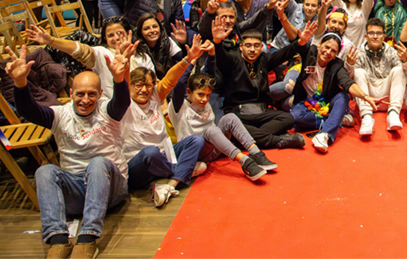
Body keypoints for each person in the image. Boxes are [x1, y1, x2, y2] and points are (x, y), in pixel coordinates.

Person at [8, 43, 132, 259]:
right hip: (77, 190)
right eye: (80, 94)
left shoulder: (107, 110)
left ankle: (88, 239)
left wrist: (119, 79)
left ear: (101, 94)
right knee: (44, 171)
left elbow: (121, 102)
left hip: (111, 188)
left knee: (98, 163)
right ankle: (58, 240)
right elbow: (30, 111)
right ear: (71, 94)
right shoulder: (60, 114)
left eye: (92, 94)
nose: (85, 100)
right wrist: (20, 83)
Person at [169, 38, 275, 181]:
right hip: (195, 151)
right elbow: (179, 84)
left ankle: (256, 153)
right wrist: (190, 61)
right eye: (200, 95)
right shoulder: (179, 106)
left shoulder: (205, 101)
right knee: (211, 130)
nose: (204, 100)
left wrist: (212, 54)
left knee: (229, 118)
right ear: (188, 92)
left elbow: (209, 75)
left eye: (207, 95)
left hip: (214, 149)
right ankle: (245, 162)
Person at [121, 42, 204, 208]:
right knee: (150, 152)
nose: (144, 90)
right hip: (138, 163)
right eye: (138, 85)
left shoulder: (154, 97)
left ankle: (169, 185)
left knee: (196, 140)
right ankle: (182, 171)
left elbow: (170, 80)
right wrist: (126, 59)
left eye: (148, 85)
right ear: (130, 86)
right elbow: (122, 80)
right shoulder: (124, 103)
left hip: (164, 155)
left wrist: (188, 59)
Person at [211, 21, 305, 150]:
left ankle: (247, 138)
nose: (252, 50)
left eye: (256, 46)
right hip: (239, 114)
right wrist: (217, 42)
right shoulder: (232, 59)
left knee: (287, 118)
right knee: (233, 127)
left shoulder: (264, 59)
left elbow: (284, 53)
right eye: (248, 46)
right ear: (241, 47)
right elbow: (221, 57)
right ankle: (278, 140)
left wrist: (300, 42)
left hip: (263, 113)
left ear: (261, 47)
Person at [290, 30, 378, 153]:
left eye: (333, 51)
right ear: (320, 44)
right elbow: (296, 43)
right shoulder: (309, 53)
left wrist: (365, 96)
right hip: (306, 102)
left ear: (337, 54)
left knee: (343, 96)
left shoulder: (336, 65)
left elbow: (347, 83)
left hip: (327, 103)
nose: (328, 53)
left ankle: (324, 134)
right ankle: (336, 118)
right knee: (294, 117)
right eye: (326, 47)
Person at [354, 18, 407, 134]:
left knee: (399, 69)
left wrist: (406, 60)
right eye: (371, 33)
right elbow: (350, 79)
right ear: (366, 36)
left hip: (387, 98)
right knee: (358, 72)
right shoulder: (359, 53)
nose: (375, 36)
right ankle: (366, 117)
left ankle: (393, 114)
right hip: (368, 98)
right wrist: (349, 64)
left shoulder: (391, 51)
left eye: (378, 33)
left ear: (383, 36)